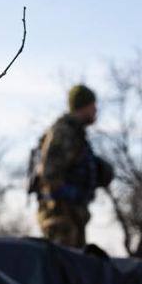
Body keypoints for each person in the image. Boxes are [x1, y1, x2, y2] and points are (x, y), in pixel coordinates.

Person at [32, 84, 112, 248]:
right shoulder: (64, 133)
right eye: (93, 105)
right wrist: (70, 196)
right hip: (60, 218)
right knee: (63, 269)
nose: (95, 110)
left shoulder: (76, 134)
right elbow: (50, 175)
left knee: (75, 268)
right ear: (83, 106)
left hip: (72, 216)